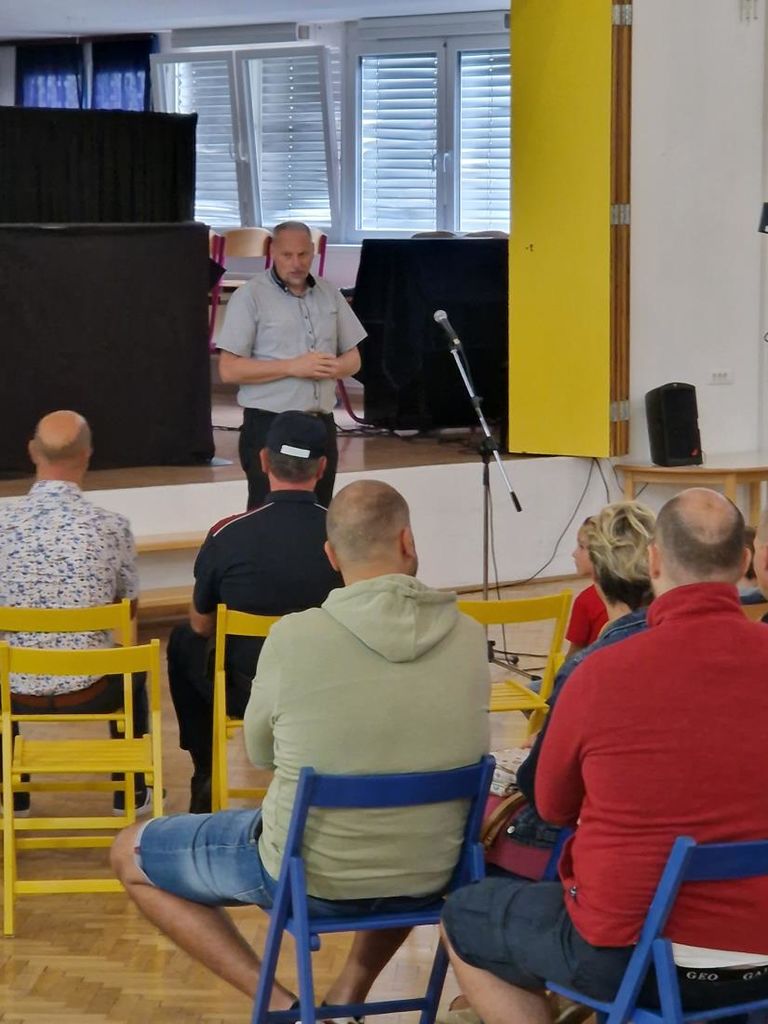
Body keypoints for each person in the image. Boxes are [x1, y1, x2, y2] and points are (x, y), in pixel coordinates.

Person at [112, 480, 490, 1009]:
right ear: (408, 542)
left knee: (129, 852)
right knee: (400, 829)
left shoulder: (293, 637)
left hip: (309, 876)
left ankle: (283, 1006)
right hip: (431, 869)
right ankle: (347, 996)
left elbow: (260, 753)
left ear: (331, 556)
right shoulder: (469, 635)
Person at [441, 487, 768, 1023]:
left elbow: (551, 804)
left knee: (465, 915)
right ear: (744, 561)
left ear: (655, 560)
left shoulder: (601, 672)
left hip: (638, 957)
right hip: (760, 951)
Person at [167, 411, 343, 814]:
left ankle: (205, 769)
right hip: (325, 685)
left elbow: (201, 624)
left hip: (246, 692)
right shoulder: (343, 534)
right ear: (322, 467)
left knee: (183, 641)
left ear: (263, 460)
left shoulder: (228, 534)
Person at [0, 410, 147, 813]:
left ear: (32, 451)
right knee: (134, 668)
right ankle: (131, 791)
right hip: (92, 688)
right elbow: (128, 607)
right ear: (87, 455)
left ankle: (12, 795)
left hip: (12, 691)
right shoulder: (112, 526)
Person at [217, 221, 367, 510]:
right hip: (270, 423)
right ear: (273, 252)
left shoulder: (329, 293)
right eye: (287, 255)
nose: (296, 263)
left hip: (319, 423)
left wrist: (334, 367)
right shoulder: (250, 296)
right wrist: (292, 367)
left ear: (313, 252)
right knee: (269, 512)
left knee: (319, 512)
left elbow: (354, 359)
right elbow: (229, 369)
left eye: (303, 254)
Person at [515, 500, 655, 810]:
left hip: (597, 818)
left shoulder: (586, 669)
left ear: (598, 571)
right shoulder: (702, 647)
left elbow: (543, 792)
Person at [564, 517, 608, 658]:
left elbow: (573, 658)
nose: (574, 553)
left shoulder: (585, 601)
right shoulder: (643, 592)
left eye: (581, 547)